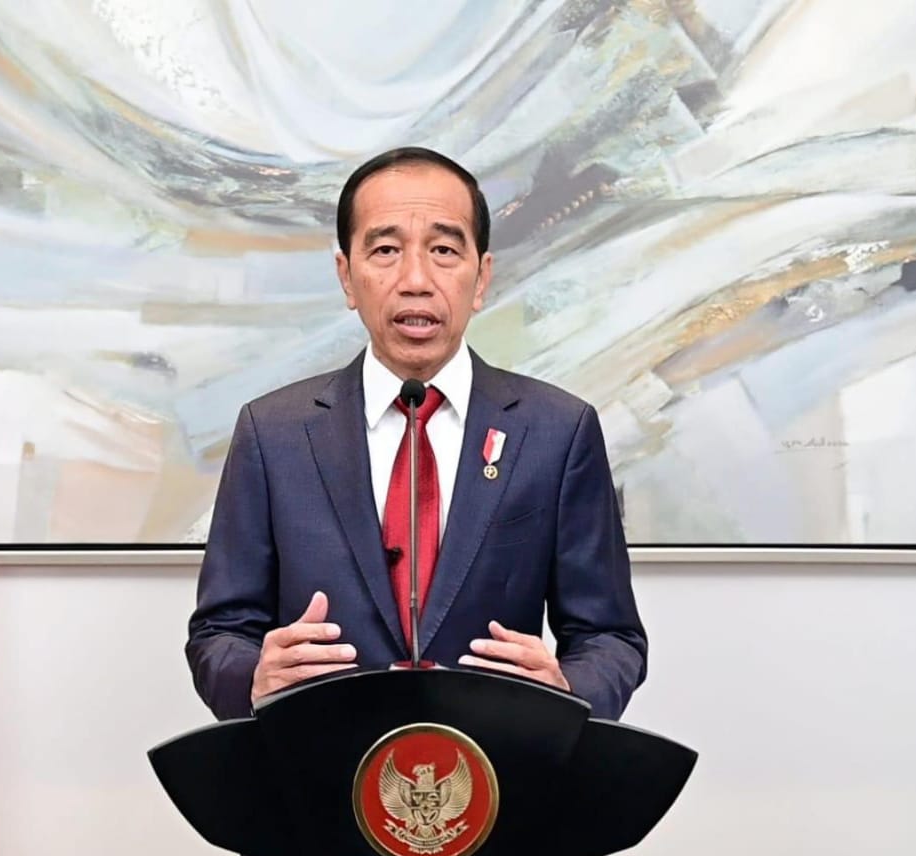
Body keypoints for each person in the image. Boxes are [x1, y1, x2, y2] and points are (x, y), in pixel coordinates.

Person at [187, 145, 645, 734]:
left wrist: (568, 692)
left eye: (444, 251)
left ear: (481, 277)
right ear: (347, 276)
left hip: (496, 768)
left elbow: (611, 637)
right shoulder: (272, 433)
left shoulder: (558, 431)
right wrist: (253, 677)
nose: (416, 281)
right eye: (385, 250)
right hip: (322, 768)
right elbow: (219, 633)